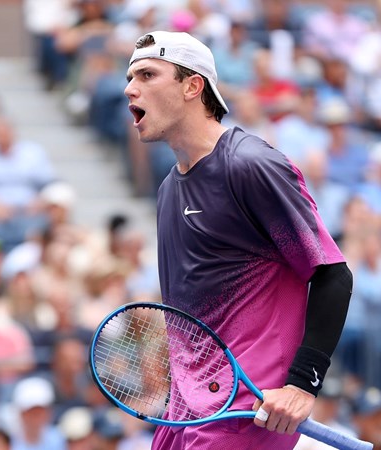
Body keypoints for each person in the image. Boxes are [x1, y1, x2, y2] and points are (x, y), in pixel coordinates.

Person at [123, 31, 353, 449]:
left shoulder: (250, 166)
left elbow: (333, 276)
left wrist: (302, 385)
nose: (129, 88)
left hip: (248, 411)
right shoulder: (168, 190)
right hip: (184, 412)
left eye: (147, 74)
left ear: (193, 86)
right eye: (130, 77)